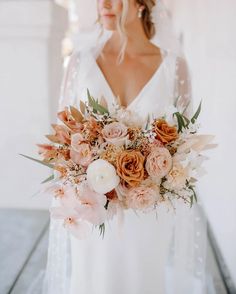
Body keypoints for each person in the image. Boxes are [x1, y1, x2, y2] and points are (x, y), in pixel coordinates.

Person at [41, 1, 210, 294]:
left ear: (143, 3)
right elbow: (65, 141)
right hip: (92, 211)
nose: (104, 4)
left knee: (141, 279)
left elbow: (184, 148)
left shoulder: (173, 66)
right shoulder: (79, 62)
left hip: (148, 211)